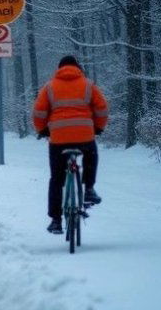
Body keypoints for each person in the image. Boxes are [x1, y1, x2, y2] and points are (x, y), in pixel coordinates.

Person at [33, 55, 109, 235]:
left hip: (58, 139)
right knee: (91, 154)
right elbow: (102, 108)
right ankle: (89, 188)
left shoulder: (49, 87)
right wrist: (98, 127)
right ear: (78, 68)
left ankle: (56, 220)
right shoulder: (88, 85)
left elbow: (38, 112)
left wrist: (43, 130)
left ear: (59, 69)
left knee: (56, 179)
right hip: (84, 136)